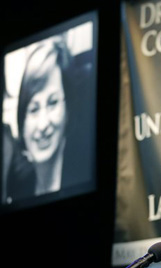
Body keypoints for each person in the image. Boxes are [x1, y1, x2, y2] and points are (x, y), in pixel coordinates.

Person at [5, 35, 94, 203]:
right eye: (33, 109)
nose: (43, 124)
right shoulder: (18, 185)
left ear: (68, 110)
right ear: (22, 120)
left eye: (52, 103)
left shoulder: (85, 172)